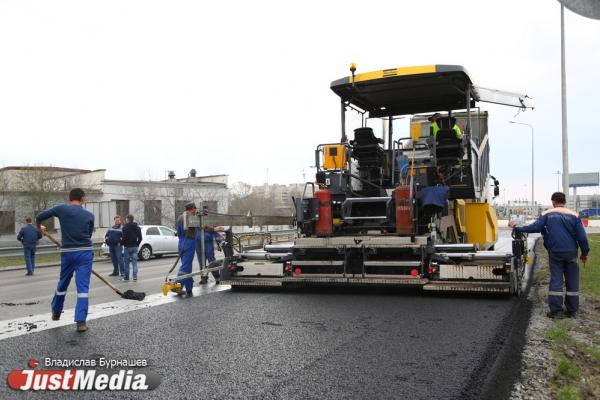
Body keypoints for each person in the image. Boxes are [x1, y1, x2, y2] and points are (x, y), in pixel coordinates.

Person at [509, 192, 590, 319]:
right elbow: (582, 237)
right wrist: (584, 253)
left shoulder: (547, 214)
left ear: (553, 202)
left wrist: (517, 227)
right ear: (564, 201)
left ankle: (556, 311)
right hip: (571, 253)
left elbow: (535, 227)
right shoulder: (574, 215)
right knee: (572, 280)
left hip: (555, 252)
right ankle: (572, 310)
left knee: (556, 279)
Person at [35, 188, 94, 332]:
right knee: (83, 288)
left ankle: (56, 312)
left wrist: (39, 227)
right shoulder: (89, 215)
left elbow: (39, 216)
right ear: (82, 199)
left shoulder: (61, 208)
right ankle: (81, 322)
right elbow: (89, 234)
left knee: (63, 283)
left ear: (69, 198)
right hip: (85, 253)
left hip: (67, 253)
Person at [175, 202, 200, 296]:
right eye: (195, 209)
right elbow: (201, 226)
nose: (196, 211)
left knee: (187, 265)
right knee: (186, 266)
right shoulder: (191, 217)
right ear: (192, 209)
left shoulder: (180, 217)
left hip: (181, 242)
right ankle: (178, 286)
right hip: (188, 242)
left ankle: (189, 288)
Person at [121, 214, 142, 281]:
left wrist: (121, 243)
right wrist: (137, 244)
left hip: (127, 247)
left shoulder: (125, 228)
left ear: (128, 219)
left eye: (126, 219)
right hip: (134, 247)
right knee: (134, 263)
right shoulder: (137, 227)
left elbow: (124, 238)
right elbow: (140, 238)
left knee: (126, 263)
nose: (125, 220)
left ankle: (126, 278)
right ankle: (135, 277)